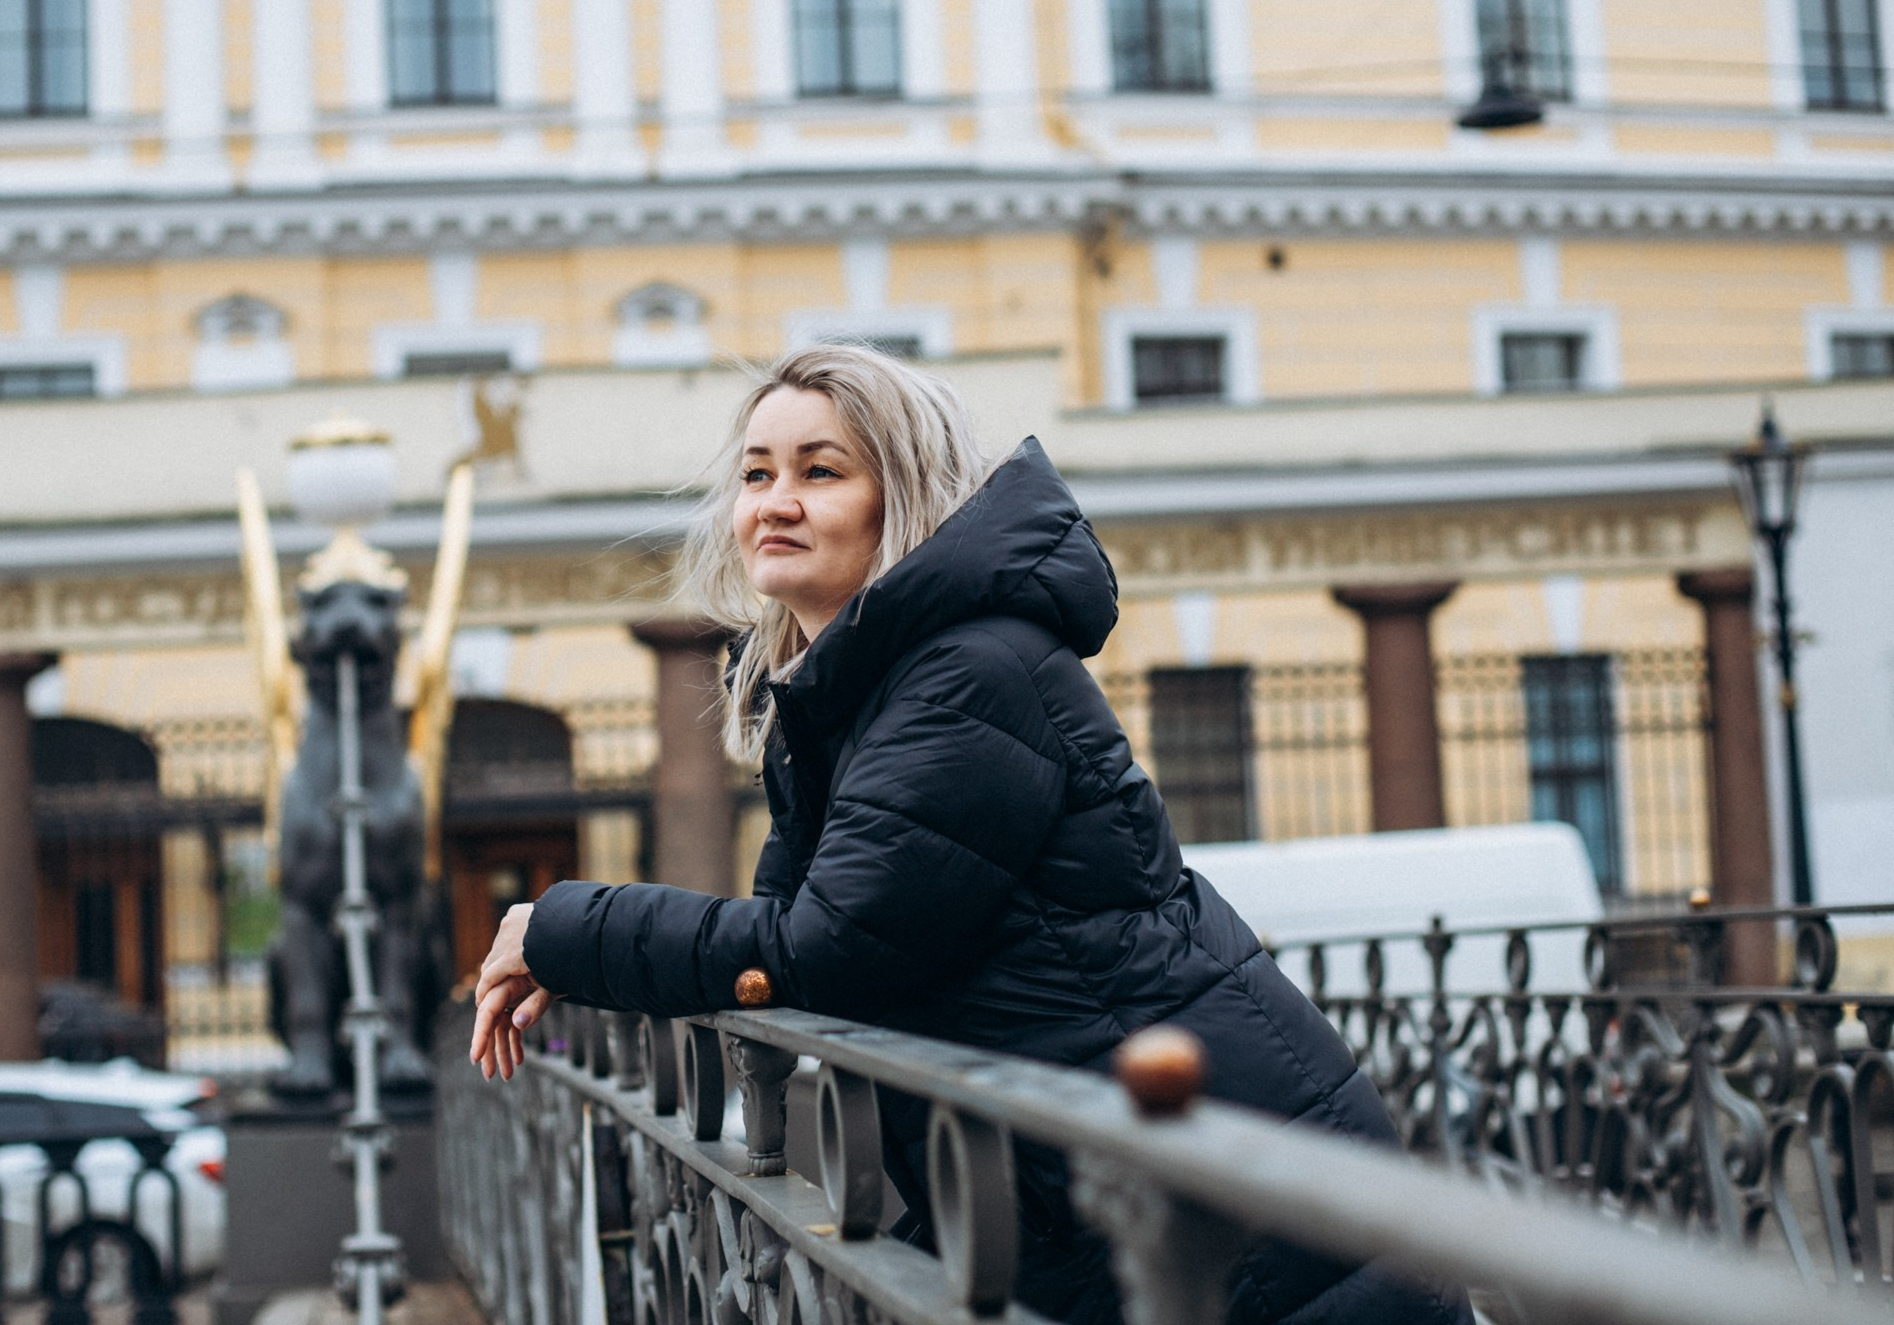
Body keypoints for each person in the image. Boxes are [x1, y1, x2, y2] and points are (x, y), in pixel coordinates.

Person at [468, 343, 1468, 1325]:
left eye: (821, 471)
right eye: (756, 473)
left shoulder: (968, 676)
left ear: (900, 495)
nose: (774, 500)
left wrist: (564, 929)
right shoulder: (858, 694)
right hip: (1107, 1162)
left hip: (1231, 1198)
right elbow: (802, 926)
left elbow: (831, 947)